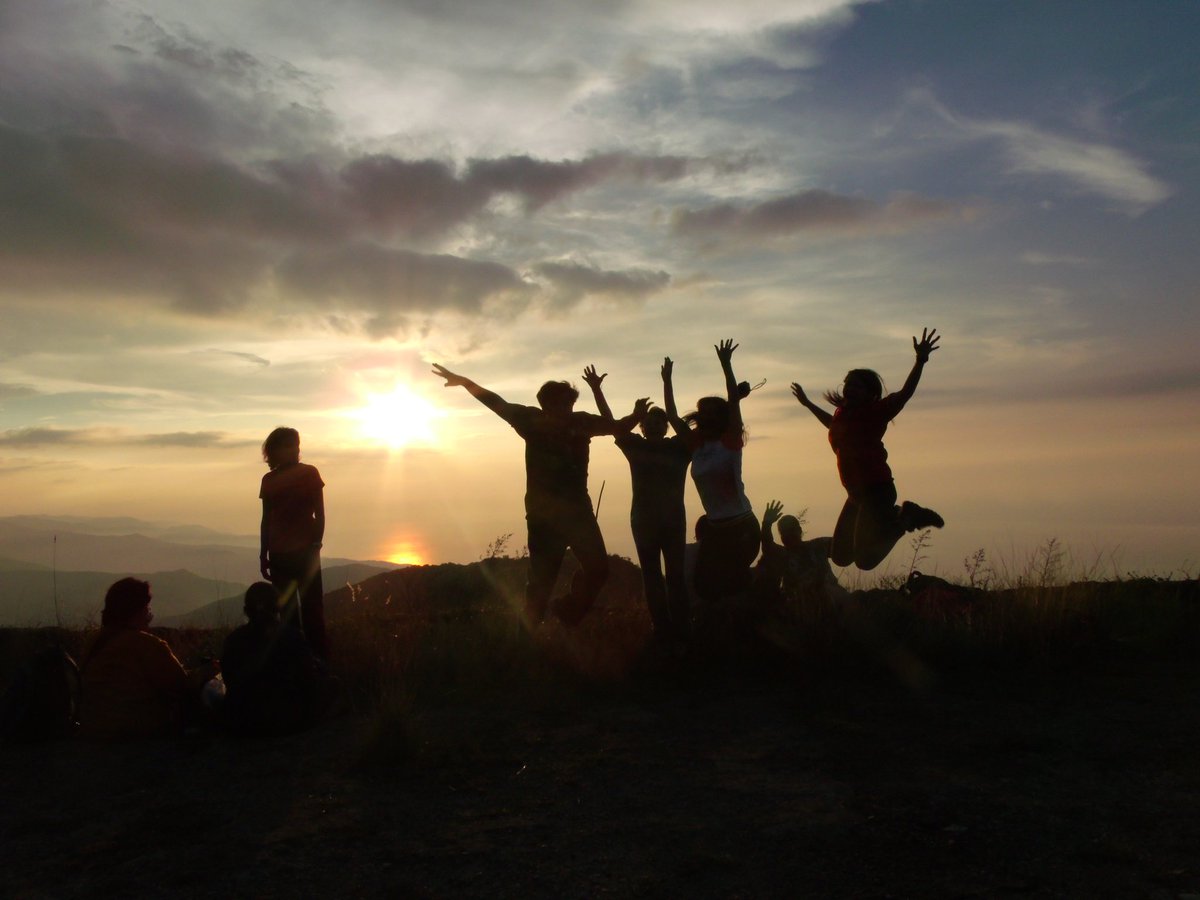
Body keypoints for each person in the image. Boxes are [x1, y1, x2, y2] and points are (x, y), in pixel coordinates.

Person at [432, 362, 647, 626]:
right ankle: (530, 633)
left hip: (577, 512)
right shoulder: (532, 420)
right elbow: (496, 402)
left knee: (598, 570)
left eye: (568, 404)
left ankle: (567, 611)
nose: (565, 409)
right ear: (546, 404)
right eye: (560, 404)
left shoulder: (580, 422)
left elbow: (618, 427)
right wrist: (465, 382)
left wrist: (636, 415)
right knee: (542, 582)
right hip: (544, 516)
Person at [791, 327, 944, 570]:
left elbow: (905, 394)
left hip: (877, 491)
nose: (849, 389)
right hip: (855, 494)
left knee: (865, 560)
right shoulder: (842, 414)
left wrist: (920, 361)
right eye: (847, 384)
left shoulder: (876, 412)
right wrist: (808, 404)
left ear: (870, 393)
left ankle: (905, 519)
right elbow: (833, 425)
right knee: (840, 557)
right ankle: (897, 518)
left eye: (856, 386)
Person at [585, 360, 692, 642]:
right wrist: (597, 390)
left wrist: (667, 382)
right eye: (649, 422)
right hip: (647, 522)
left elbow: (675, 416)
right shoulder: (639, 446)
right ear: (642, 427)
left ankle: (680, 628)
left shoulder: (679, 448)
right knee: (653, 576)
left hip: (667, 521)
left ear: (666, 427)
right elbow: (612, 423)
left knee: (674, 576)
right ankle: (664, 629)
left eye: (659, 422)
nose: (654, 425)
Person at [77, 578, 212, 740]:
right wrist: (206, 673)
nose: (149, 614)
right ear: (136, 611)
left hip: (92, 728)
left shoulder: (94, 641)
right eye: (147, 608)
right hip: (137, 730)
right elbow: (181, 685)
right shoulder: (147, 645)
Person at [679, 340, 760, 609]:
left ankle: (754, 617)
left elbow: (733, 402)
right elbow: (673, 416)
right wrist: (666, 381)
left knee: (733, 585)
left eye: (710, 414)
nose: (705, 418)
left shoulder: (731, 441)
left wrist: (726, 365)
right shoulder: (696, 445)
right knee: (705, 586)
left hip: (742, 526)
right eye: (703, 413)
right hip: (716, 527)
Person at [259, 426, 328, 659]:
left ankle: (318, 662)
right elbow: (266, 519)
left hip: (305, 553)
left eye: (296, 445)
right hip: (280, 556)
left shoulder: (309, 473)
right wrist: (263, 555)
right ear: (275, 450)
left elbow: (320, 513)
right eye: (289, 445)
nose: (295, 450)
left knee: (312, 612)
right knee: (288, 614)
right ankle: (298, 662)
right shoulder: (269, 480)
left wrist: (316, 544)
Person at [220, 582, 320, 737]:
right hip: (286, 719)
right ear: (278, 607)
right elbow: (309, 680)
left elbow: (229, 682)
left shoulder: (232, 641)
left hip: (243, 722)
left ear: (246, 611)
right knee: (333, 685)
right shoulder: (292, 636)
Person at [754, 500, 845, 612]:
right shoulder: (783, 555)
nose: (788, 536)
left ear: (799, 530)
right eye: (784, 533)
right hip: (801, 605)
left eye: (791, 531)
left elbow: (843, 545)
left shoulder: (818, 545)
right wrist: (766, 524)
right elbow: (767, 546)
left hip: (834, 597)